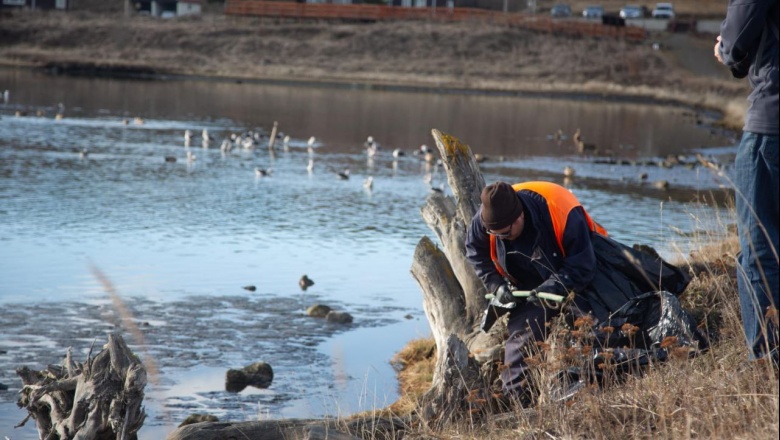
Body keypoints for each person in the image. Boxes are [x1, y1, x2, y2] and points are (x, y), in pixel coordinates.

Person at [465, 181, 607, 403]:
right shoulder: (485, 219)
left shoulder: (561, 210)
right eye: (495, 234)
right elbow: (475, 251)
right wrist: (496, 284)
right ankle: (516, 402)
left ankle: (597, 388)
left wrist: (553, 286)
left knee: (598, 329)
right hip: (529, 282)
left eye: (505, 233)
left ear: (519, 216)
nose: (501, 238)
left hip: (584, 268)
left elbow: (583, 264)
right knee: (522, 338)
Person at [714, 0, 779, 364]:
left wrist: (725, 50)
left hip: (771, 124)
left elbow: (736, 40)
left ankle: (766, 363)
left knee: (759, 250)